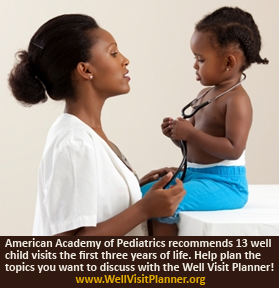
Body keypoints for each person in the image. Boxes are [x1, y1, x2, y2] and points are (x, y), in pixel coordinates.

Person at [8, 14, 185, 236]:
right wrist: (144, 209)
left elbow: (93, 210)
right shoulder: (74, 143)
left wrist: (133, 189)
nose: (125, 60)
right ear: (86, 70)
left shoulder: (87, 134)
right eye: (113, 53)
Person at [141, 7, 269, 235]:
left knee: (162, 203)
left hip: (224, 185)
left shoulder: (237, 100)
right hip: (195, 174)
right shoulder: (206, 94)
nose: (194, 65)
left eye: (200, 59)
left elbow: (233, 149)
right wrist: (177, 135)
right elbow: (198, 144)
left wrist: (190, 133)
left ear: (229, 63)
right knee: (142, 196)